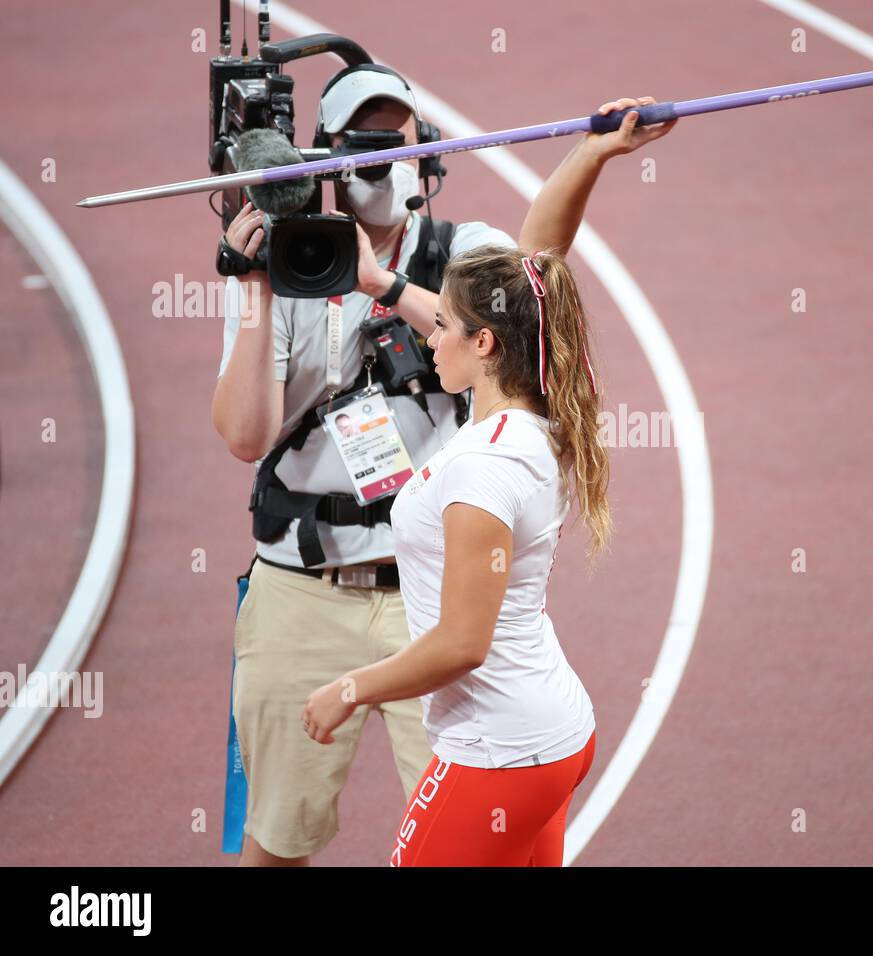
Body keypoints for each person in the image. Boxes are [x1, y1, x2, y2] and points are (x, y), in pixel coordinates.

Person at [214, 60, 676, 867]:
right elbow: (246, 436)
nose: (375, 159)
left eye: (392, 139)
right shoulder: (284, 273)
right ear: (321, 157)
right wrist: (256, 284)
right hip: (304, 588)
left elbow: (535, 268)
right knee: (277, 837)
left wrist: (383, 282)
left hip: (426, 604)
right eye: (356, 142)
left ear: (424, 152)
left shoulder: (464, 265)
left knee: (459, 833)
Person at [303, 241, 608, 866]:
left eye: (443, 325)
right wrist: (378, 280)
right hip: (552, 736)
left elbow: (463, 643)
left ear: (485, 344)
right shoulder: (526, 425)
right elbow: (533, 281)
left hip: (500, 748)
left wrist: (351, 688)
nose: (428, 338)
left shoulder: (483, 465)